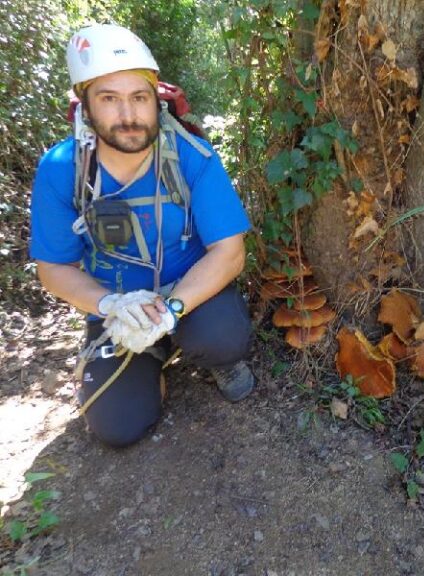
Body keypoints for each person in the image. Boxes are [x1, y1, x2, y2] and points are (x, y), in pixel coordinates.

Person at [29, 23, 255, 448]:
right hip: (116, 305)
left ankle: (195, 347)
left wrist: (170, 310)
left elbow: (230, 253)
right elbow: (53, 267)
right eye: (109, 99)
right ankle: (147, 357)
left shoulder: (192, 156)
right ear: (86, 108)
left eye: (139, 98)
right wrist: (109, 305)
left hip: (190, 294)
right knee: (117, 427)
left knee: (223, 335)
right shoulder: (62, 169)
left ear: (158, 101)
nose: (128, 115)